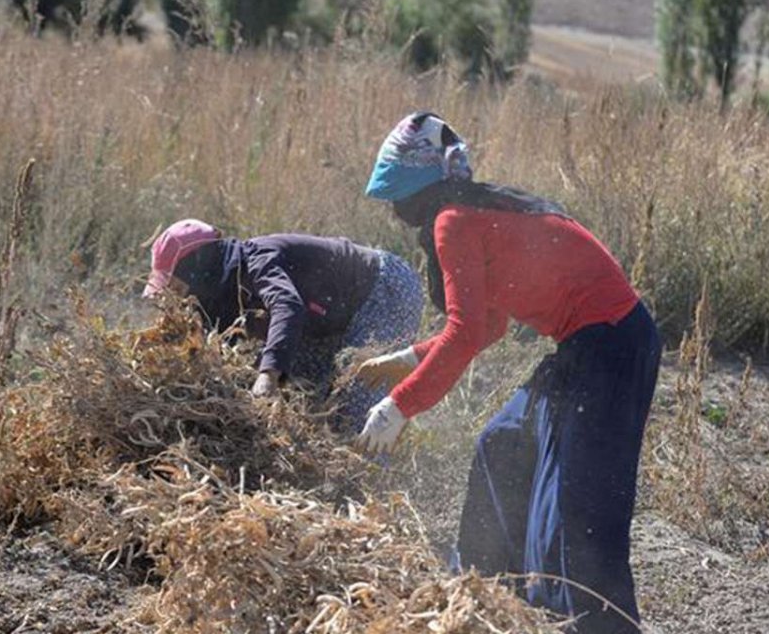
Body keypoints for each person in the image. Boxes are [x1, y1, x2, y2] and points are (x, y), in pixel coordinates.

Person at [353, 112, 661, 633]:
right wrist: (408, 359)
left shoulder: (454, 220)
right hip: (591, 346)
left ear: (413, 190)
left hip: (609, 349)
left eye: (395, 199)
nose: (394, 212)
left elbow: (466, 332)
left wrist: (397, 406)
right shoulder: (475, 210)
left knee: (577, 514)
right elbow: (488, 324)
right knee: (504, 444)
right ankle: (485, 600)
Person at [144, 218, 423, 433]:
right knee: (307, 392)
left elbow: (287, 306)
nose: (178, 300)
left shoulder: (256, 259)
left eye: (177, 287)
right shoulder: (221, 297)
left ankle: (374, 478)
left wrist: (268, 376)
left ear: (198, 268)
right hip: (326, 318)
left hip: (383, 289)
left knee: (359, 399)